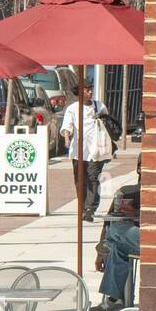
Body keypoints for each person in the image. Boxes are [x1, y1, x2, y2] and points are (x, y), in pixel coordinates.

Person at [60, 82, 110, 222]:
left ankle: (90, 208)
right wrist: (67, 138)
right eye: (87, 90)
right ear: (79, 93)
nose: (90, 93)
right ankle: (82, 207)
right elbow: (67, 126)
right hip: (78, 150)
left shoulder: (99, 106)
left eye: (90, 90)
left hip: (97, 149)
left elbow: (108, 123)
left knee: (93, 178)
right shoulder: (72, 109)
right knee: (80, 180)